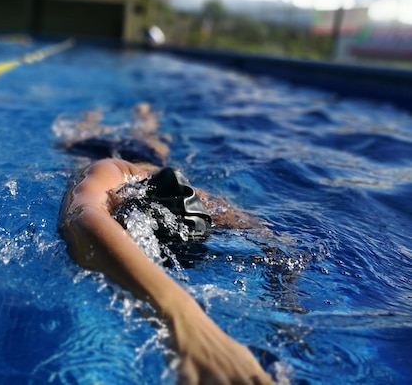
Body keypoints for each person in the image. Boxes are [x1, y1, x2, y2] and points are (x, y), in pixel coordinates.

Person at [56, 105, 276, 384]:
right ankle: (97, 116)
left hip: (150, 158)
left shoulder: (207, 205)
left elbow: (274, 241)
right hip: (98, 152)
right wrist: (186, 321)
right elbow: (81, 215)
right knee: (81, 137)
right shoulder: (112, 171)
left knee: (150, 140)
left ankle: (143, 117)